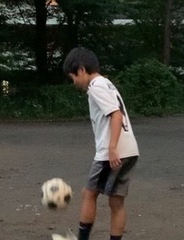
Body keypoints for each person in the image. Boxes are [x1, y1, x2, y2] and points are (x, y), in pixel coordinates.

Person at [62, 47, 139, 240]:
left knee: (88, 193)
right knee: (116, 202)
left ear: (81, 70)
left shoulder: (95, 86)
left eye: (73, 77)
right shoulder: (107, 83)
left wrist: (112, 148)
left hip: (112, 152)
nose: (74, 83)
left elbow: (116, 114)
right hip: (130, 150)